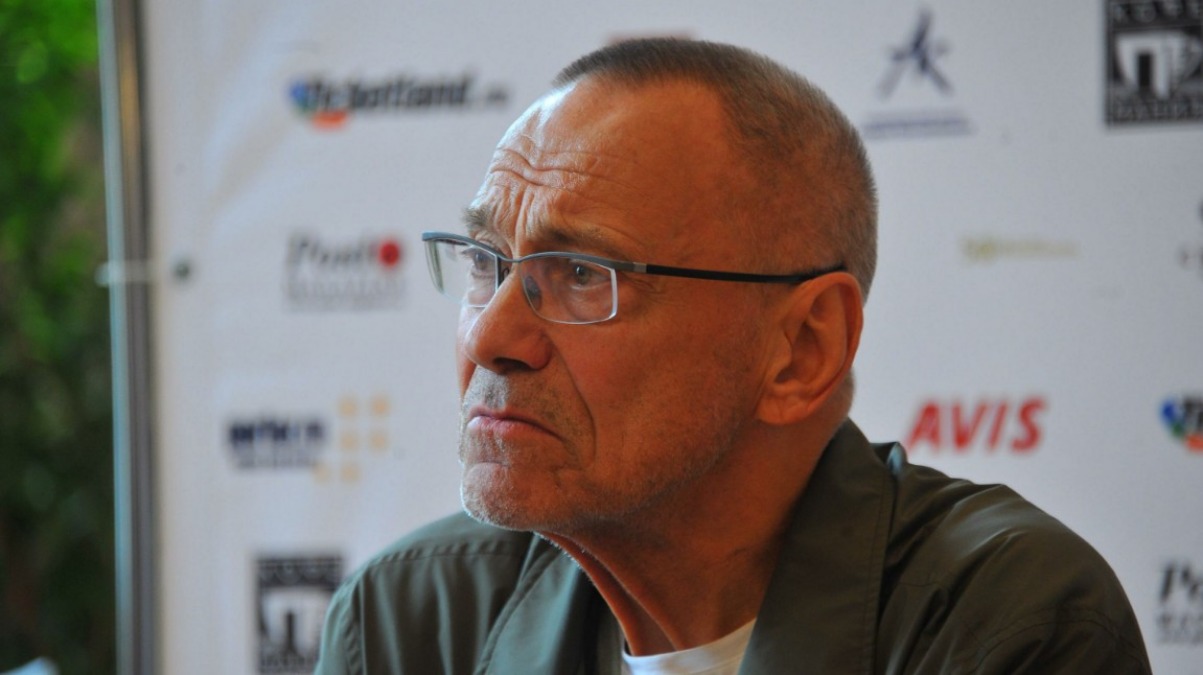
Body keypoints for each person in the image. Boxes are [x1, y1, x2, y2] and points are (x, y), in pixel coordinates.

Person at [315, 38, 1151, 674]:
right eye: (484, 262)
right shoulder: (409, 620)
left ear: (800, 350)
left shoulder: (1005, 620)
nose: (489, 339)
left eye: (582, 274)